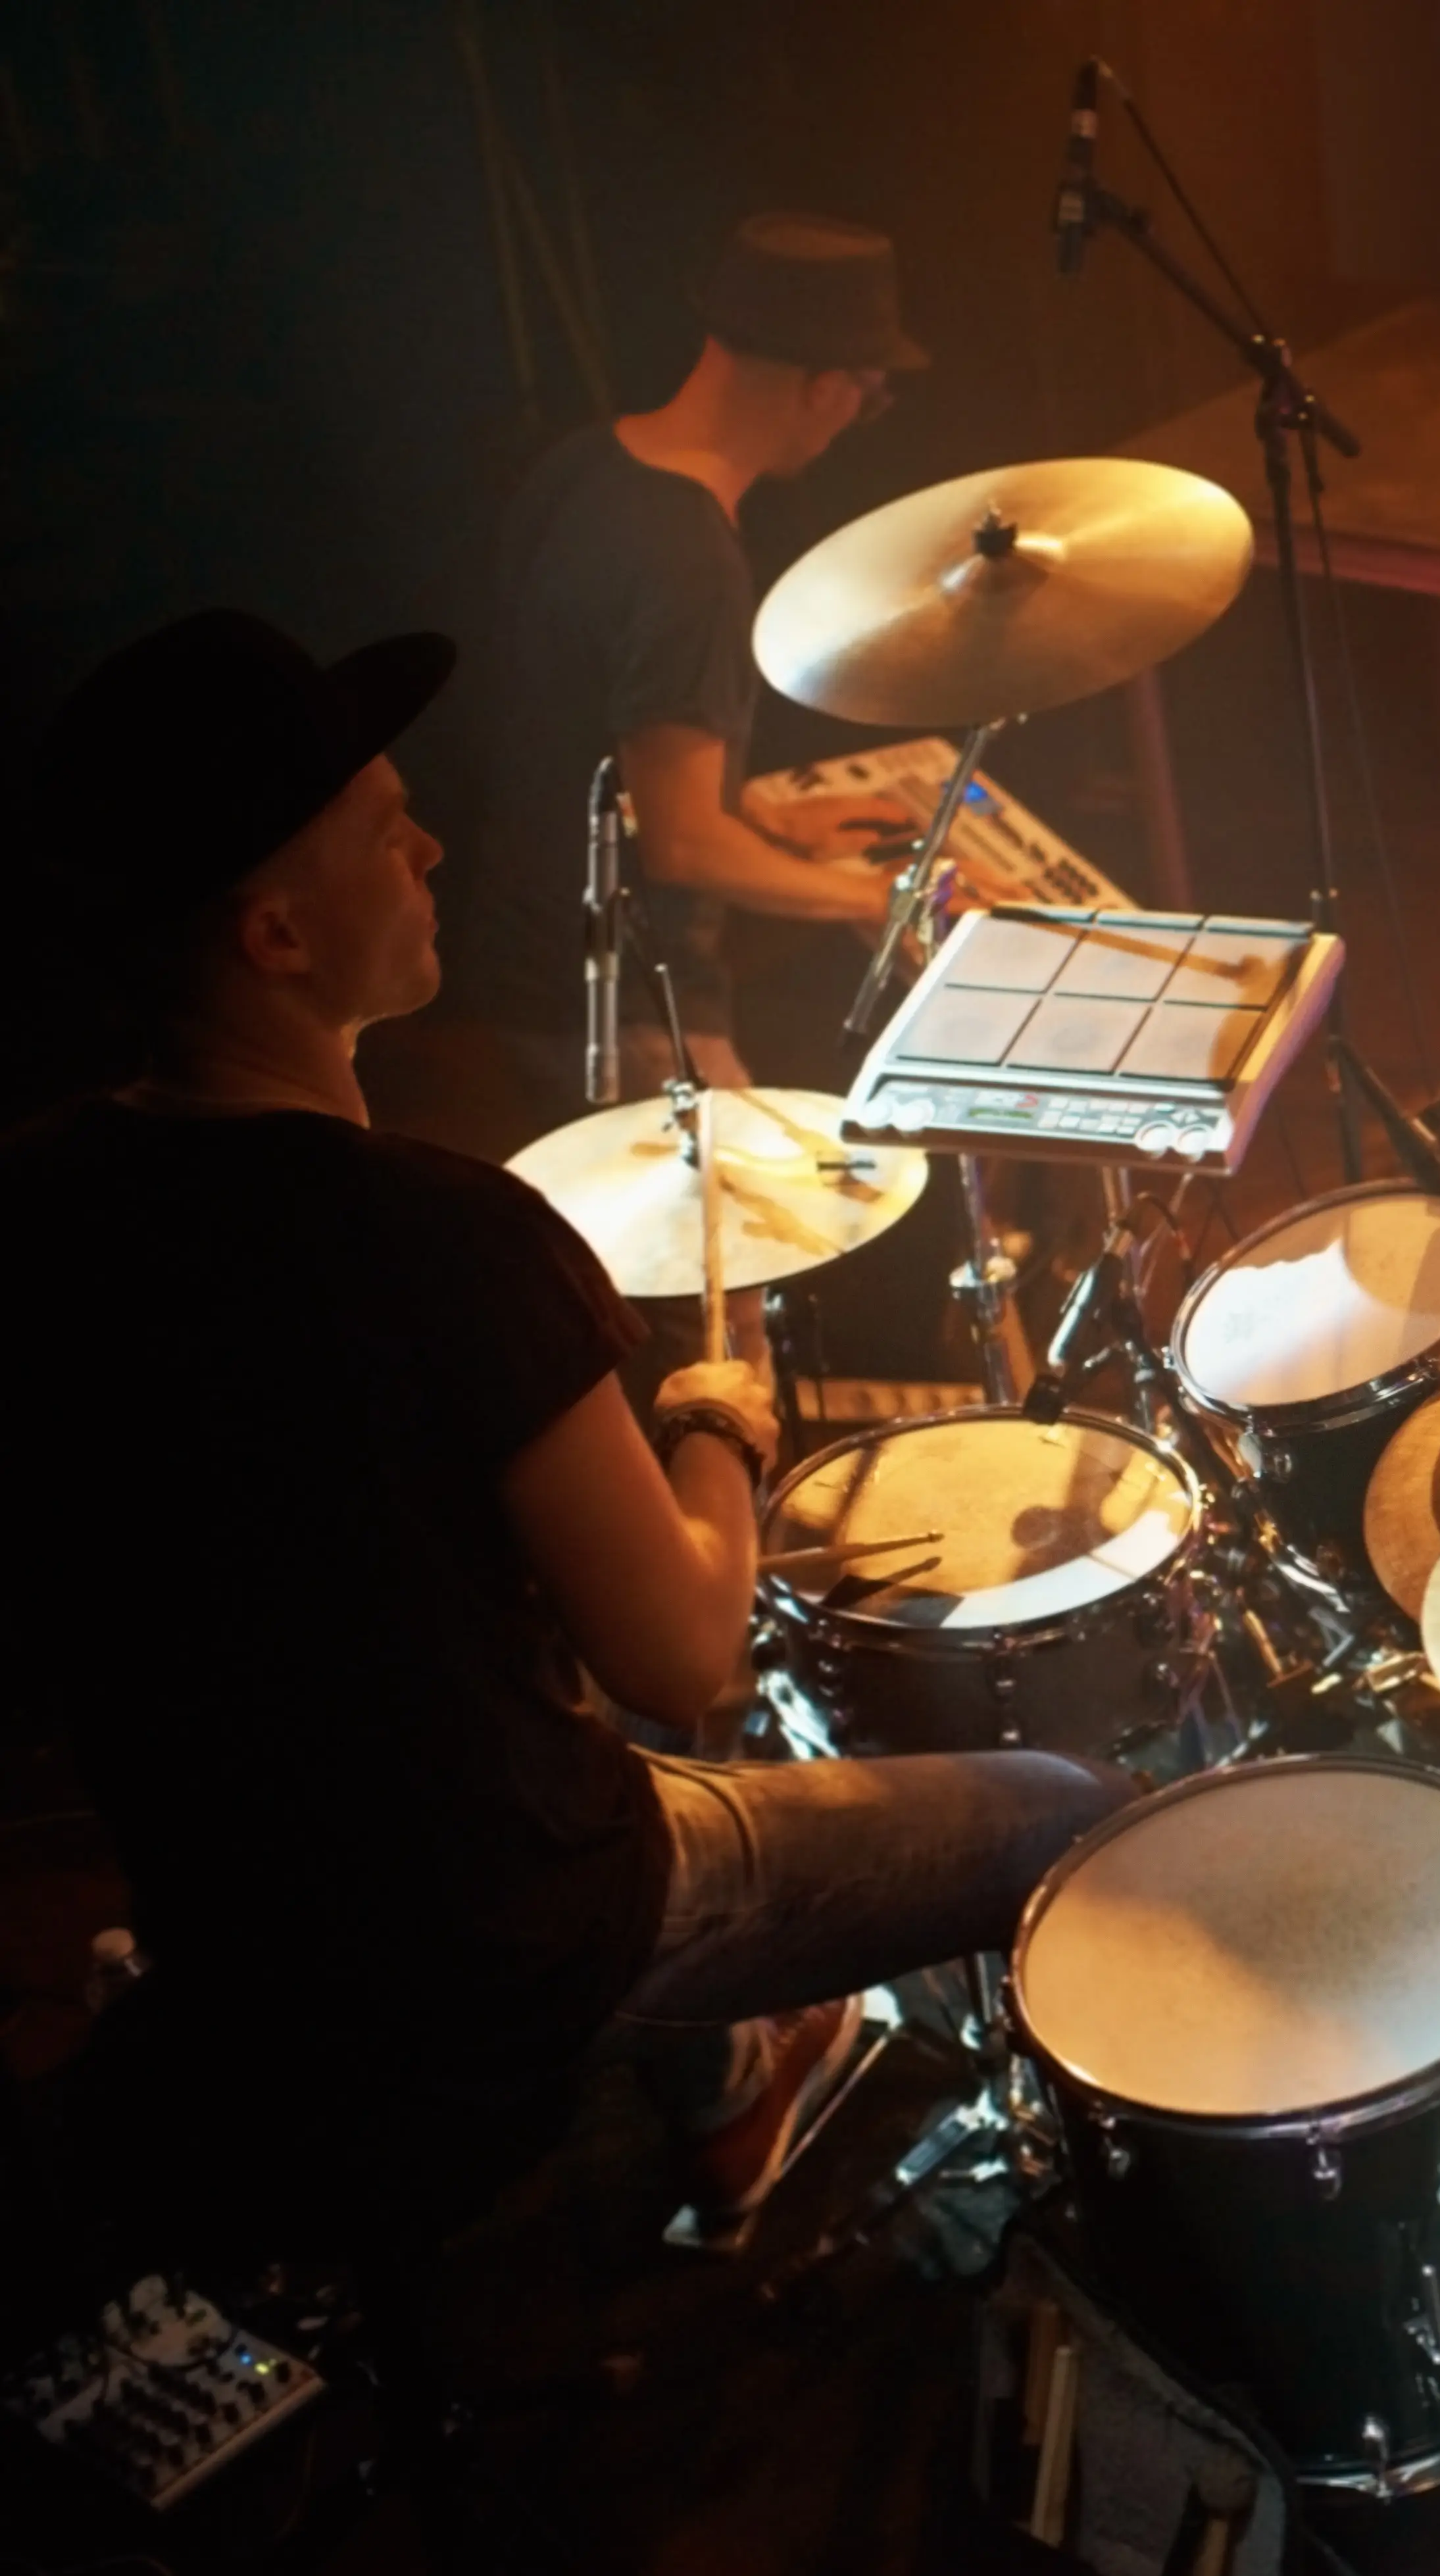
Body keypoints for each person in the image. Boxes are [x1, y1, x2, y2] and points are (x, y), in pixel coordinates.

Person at [8, 611, 1127, 2246]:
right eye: (390, 836)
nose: (434, 848)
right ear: (276, 936)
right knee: (1071, 1804)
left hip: (235, 1912)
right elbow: (687, 1652)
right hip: (506, 1922)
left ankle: (726, 2090)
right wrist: (718, 1420)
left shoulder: (37, 1200)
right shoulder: (440, 1234)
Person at [472, 214, 913, 1126]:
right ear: (826, 390)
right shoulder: (691, 562)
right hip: (626, 1004)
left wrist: (762, 815)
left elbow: (585, 743)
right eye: (868, 397)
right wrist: (874, 898)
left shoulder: (584, 464)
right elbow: (678, 844)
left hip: (524, 959)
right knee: (730, 1263)